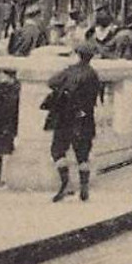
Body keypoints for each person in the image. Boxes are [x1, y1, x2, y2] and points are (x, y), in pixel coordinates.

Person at [43, 41, 103, 202]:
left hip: (65, 117)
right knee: (83, 154)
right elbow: (95, 96)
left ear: (78, 54)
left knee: (58, 150)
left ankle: (65, 183)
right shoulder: (93, 75)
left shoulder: (69, 71)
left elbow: (51, 82)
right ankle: (84, 186)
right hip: (84, 117)